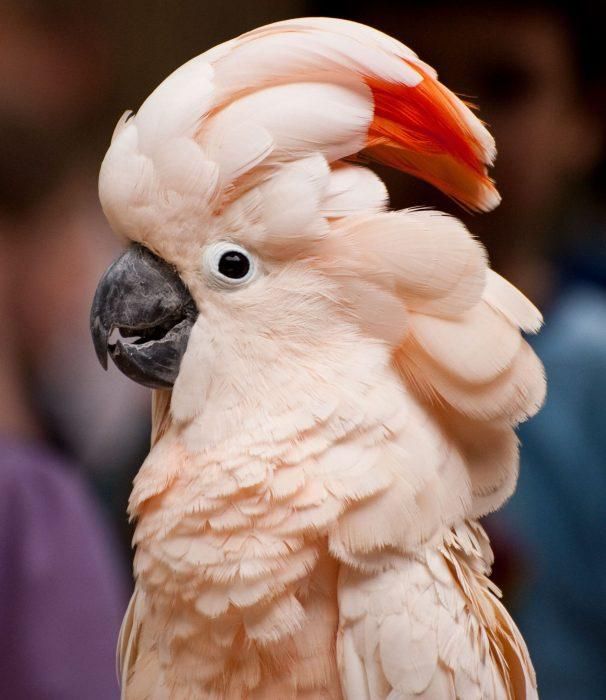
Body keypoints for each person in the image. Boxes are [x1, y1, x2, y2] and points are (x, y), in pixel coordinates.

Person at [314, 1, 606, 696]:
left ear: (585, 121)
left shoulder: (595, 376)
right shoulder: (266, 365)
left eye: (506, 85)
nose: (452, 127)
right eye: (401, 93)